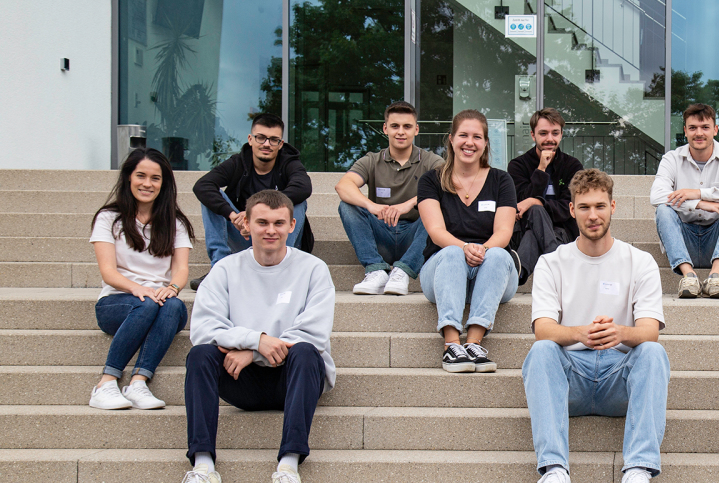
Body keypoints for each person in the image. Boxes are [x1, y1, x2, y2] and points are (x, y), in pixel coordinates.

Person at [169, 190, 336, 483]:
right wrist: (256, 340)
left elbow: (313, 332)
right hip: (240, 381)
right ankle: (204, 469)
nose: (270, 229)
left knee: (305, 352)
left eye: (278, 222)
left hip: (293, 381)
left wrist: (252, 350)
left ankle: (288, 467)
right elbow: (204, 329)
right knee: (200, 355)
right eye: (261, 222)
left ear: (292, 225)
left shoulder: (313, 269)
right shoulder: (225, 270)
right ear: (246, 224)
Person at [523, 169, 669, 483]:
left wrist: (620, 333)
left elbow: (649, 329)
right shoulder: (551, 263)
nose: (593, 215)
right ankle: (555, 473)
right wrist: (579, 333)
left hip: (618, 379)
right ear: (571, 209)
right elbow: (543, 327)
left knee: (653, 352)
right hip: (570, 378)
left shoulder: (640, 262)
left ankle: (637, 472)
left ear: (613, 207)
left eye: (600, 206)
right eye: (584, 207)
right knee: (542, 351)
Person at [88, 148, 194, 410]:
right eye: (141, 176)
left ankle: (138, 383)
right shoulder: (108, 218)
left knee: (176, 306)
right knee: (146, 303)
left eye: (155, 178)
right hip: (116, 304)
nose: (148, 183)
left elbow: (181, 270)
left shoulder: (175, 222)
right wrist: (140, 289)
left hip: (158, 303)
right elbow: (108, 273)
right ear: (128, 178)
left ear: (164, 183)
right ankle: (106, 382)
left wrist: (171, 288)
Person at [417, 109, 519, 373]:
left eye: (477, 137)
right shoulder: (431, 180)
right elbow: (435, 229)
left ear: (485, 143)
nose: (469, 142)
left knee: (499, 254)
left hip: (492, 272)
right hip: (443, 273)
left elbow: (504, 232)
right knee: (451, 251)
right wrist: (463, 247)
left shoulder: (501, 180)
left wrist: (483, 249)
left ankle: (474, 343)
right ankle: (452, 345)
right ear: (451, 139)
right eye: (463, 135)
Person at [191, 113, 313, 289]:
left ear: (280, 145)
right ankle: (220, 268)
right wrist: (233, 216)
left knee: (298, 202)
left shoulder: (289, 163)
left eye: (273, 140)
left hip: (278, 239)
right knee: (210, 195)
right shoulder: (237, 163)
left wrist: (254, 212)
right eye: (261, 138)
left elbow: (304, 187)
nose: (266, 144)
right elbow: (202, 185)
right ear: (250, 139)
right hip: (245, 233)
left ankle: (282, 266)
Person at [336, 101, 445, 296]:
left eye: (407, 126)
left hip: (415, 238)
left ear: (416, 130)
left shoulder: (431, 161)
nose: (400, 132)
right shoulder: (372, 160)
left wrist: (409, 204)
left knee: (442, 208)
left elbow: (449, 187)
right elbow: (343, 186)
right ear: (385, 129)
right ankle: (376, 270)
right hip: (381, 235)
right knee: (347, 206)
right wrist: (372, 206)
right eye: (395, 126)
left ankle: (403, 271)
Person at [650, 103, 719, 299]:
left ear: (715, 130)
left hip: (715, 239)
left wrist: (698, 193)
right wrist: (698, 204)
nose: (699, 133)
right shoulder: (671, 159)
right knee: (663, 210)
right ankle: (689, 277)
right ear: (685, 131)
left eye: (705, 127)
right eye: (693, 127)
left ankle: (715, 277)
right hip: (682, 239)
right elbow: (656, 195)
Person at [507, 108, 583, 285]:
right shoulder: (518, 166)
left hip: (561, 233)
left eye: (555, 133)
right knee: (534, 211)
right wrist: (541, 169)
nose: (550, 139)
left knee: (534, 217)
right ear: (533, 135)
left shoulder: (572, 166)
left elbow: (568, 208)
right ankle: (558, 264)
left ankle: (518, 273)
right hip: (523, 228)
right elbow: (520, 205)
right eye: (543, 133)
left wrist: (536, 201)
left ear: (561, 134)